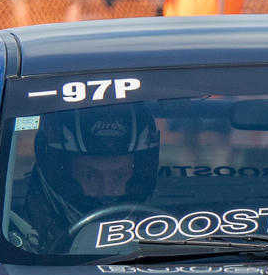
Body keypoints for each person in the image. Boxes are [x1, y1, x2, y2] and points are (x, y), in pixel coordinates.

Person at [16, 105, 160, 253]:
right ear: (61, 176)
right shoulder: (12, 232)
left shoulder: (173, 225)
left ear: (138, 177)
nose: (108, 191)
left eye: (120, 175)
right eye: (89, 176)